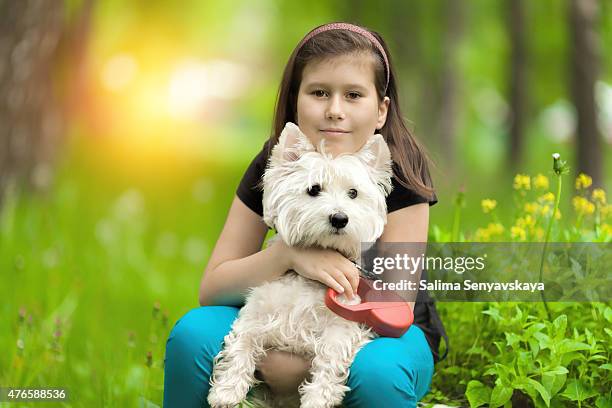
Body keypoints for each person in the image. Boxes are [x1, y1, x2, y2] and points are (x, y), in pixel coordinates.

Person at [163, 22, 449, 408]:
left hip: (386, 329)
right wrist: (288, 255)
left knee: (378, 375)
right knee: (192, 336)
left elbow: (394, 306)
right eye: (319, 93)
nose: (334, 110)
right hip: (283, 308)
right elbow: (214, 287)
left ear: (381, 110)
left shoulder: (399, 166)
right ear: (296, 100)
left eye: (353, 95)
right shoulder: (280, 160)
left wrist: (296, 366)